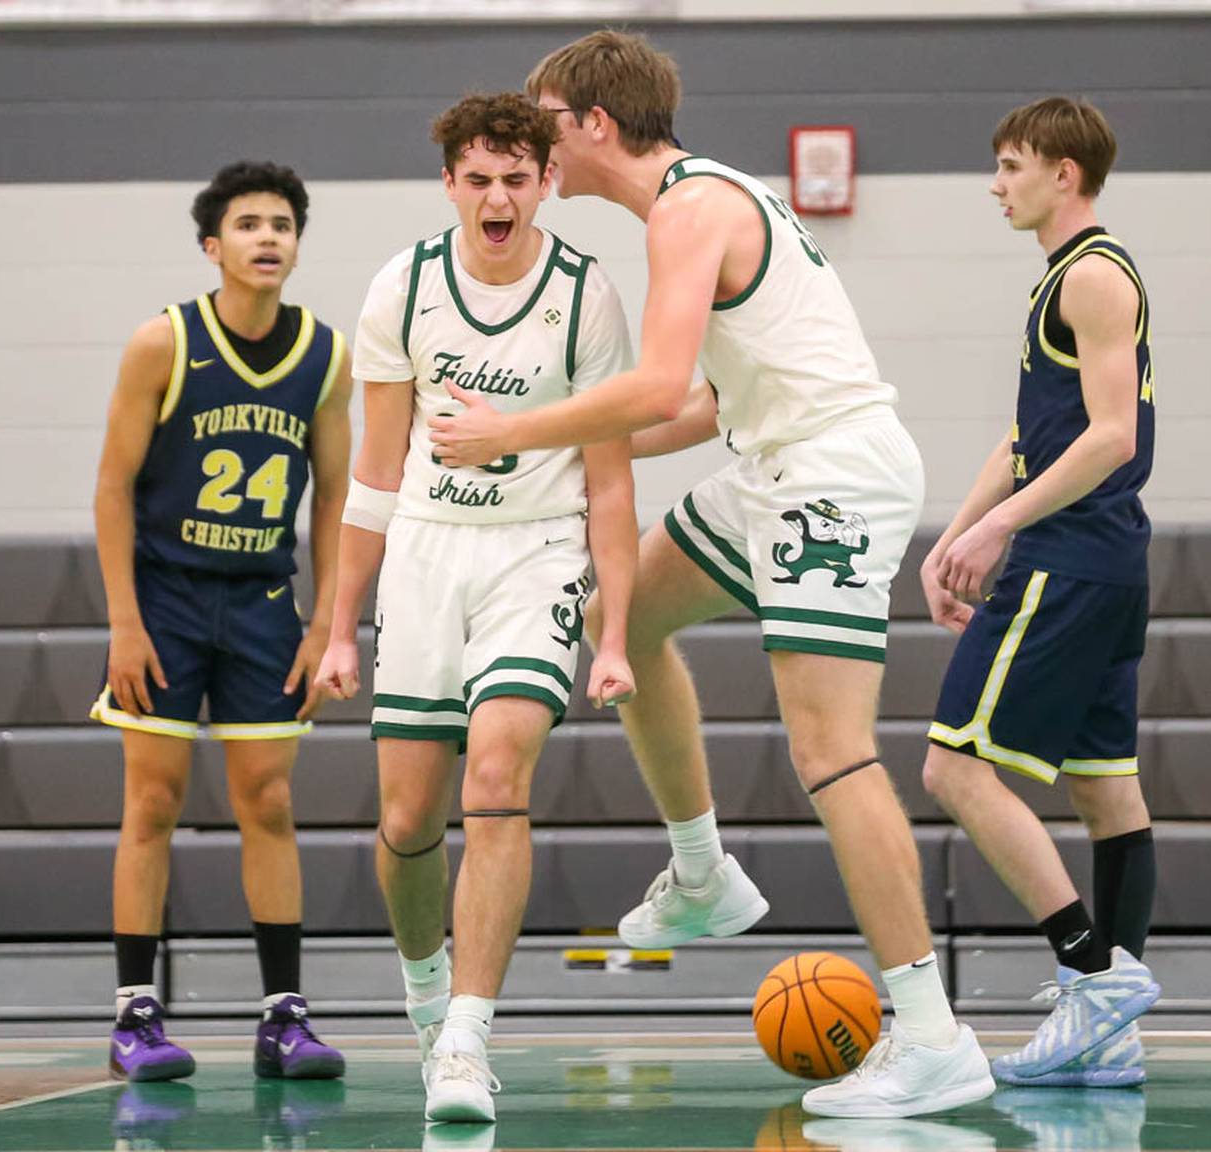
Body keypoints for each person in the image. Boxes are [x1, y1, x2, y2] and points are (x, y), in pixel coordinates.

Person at [429, 32, 995, 1119]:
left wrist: (511, 429)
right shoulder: (697, 199)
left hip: (828, 476)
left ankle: (933, 1036)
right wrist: (553, 453)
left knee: (831, 752)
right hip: (773, 464)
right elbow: (701, 405)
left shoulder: (690, 209)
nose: (536, 140)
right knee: (624, 612)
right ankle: (701, 873)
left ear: (593, 124)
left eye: (546, 122)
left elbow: (652, 389)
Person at [313, 92, 638, 1124]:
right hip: (424, 552)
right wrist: (338, 625)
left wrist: (616, 633)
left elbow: (612, 481)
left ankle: (467, 1035)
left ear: (547, 182)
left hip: (536, 555)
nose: (498, 197)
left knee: (497, 776)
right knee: (407, 820)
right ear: (449, 182)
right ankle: (425, 996)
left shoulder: (585, 295)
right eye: (480, 179)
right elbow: (374, 472)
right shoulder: (403, 286)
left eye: (517, 178)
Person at [91, 160, 351, 1083]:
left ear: (297, 245)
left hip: (261, 603)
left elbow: (336, 498)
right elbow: (112, 487)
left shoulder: (325, 354)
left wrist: (329, 623)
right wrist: (124, 622)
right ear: (213, 246)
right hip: (165, 599)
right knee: (153, 802)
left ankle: (284, 1019)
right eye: (248, 224)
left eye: (282, 224)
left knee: (269, 803)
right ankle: (136, 1015)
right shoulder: (161, 343)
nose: (267, 237)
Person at [919, 97, 1161, 1087]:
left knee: (953, 770)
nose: (996, 184)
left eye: (1012, 165)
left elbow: (1112, 437)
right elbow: (1031, 439)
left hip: (1067, 557)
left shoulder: (1094, 275)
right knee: (1106, 790)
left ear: (1065, 173)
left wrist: (999, 529)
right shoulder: (1066, 279)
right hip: (1105, 560)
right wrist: (955, 532)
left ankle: (1091, 973)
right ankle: (1111, 1034)